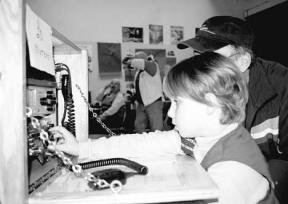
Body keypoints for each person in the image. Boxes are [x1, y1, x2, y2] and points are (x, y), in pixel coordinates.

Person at [50, 52, 278, 204]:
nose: (169, 112)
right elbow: (139, 143)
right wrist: (81, 149)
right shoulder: (201, 138)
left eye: (177, 103)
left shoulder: (231, 172)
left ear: (211, 104)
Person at [177, 15, 288, 203]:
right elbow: (182, 141)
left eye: (210, 59)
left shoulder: (282, 87)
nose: (200, 69)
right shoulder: (204, 87)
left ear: (243, 61)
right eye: (197, 57)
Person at [122, 51, 163, 133]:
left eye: (136, 59)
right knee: (138, 126)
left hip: (153, 102)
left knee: (156, 129)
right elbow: (141, 86)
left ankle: (158, 145)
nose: (134, 63)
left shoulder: (152, 65)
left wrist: (128, 61)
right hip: (141, 104)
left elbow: (139, 63)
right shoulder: (139, 71)